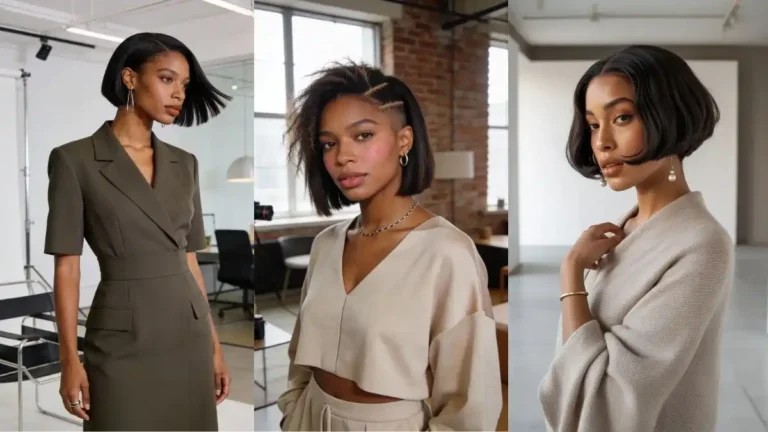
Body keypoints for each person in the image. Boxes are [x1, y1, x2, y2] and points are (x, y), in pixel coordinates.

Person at [275, 62, 503, 431]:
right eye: (329, 142)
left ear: (404, 140)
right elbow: (300, 355)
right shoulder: (326, 245)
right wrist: (293, 410)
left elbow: (471, 401)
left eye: (362, 136)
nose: (342, 156)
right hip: (309, 417)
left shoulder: (447, 252)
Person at [538, 45, 734, 432]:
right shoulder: (624, 229)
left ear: (670, 117)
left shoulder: (702, 245)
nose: (602, 142)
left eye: (622, 117)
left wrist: (571, 276)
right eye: (594, 124)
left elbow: (613, 395)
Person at [44, 32, 232, 431]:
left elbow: (189, 259)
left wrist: (215, 347)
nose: (178, 94)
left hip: (188, 330)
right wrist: (69, 360)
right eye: (167, 79)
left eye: (183, 85)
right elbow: (68, 268)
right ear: (130, 78)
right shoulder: (73, 160)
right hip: (122, 337)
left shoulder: (186, 163)